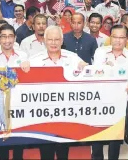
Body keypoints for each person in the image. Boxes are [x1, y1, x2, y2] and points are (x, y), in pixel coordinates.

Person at [21, 25, 88, 160]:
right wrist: (22, 69)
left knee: (63, 152)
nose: (53, 43)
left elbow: (87, 76)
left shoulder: (73, 58)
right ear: (44, 41)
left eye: (57, 39)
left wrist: (86, 68)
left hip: (66, 115)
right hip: (43, 116)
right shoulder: (34, 60)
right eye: (50, 39)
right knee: (46, 152)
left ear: (62, 41)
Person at [92, 24, 128, 160]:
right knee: (96, 139)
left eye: (121, 37)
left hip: (119, 106)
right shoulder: (100, 52)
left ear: (127, 39)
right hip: (98, 103)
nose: (118, 40)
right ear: (110, 37)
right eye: (114, 37)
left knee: (115, 142)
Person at [0, 24, 28, 160]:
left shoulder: (23, 55)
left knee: (19, 146)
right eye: (3, 36)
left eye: (10, 36)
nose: (7, 40)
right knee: (3, 147)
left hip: (19, 107)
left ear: (15, 38)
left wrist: (28, 66)